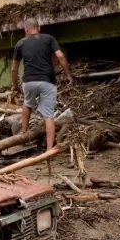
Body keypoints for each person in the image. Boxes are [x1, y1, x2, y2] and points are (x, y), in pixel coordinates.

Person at [11, 18, 73, 152]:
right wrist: (67, 74)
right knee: (49, 115)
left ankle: (24, 131)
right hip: (47, 81)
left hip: (29, 81)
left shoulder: (20, 43)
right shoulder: (49, 38)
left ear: (26, 29)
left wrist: (15, 85)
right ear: (39, 28)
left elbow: (14, 69)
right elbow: (61, 56)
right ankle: (50, 149)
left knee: (27, 104)